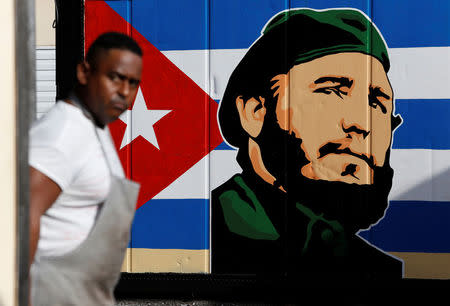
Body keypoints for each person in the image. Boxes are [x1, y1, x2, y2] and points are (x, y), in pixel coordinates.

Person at [212, 8, 404, 281]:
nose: (362, 123)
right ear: (254, 112)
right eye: (332, 89)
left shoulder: (378, 270)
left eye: (377, 102)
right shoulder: (204, 239)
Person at [29, 32, 142, 305]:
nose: (124, 92)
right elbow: (19, 220)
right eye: (115, 77)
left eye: (133, 83)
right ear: (84, 72)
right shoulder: (63, 133)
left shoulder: (93, 126)